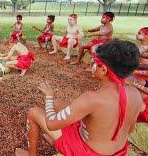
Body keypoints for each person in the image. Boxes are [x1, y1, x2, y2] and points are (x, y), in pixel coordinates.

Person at [16, 39, 145, 156]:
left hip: (87, 152)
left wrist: (49, 96)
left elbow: (51, 124)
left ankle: (31, 154)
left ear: (104, 70)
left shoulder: (91, 99)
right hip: (118, 151)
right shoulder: (135, 94)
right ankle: (59, 139)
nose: (92, 65)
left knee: (33, 112)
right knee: (59, 104)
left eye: (94, 62)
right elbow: (130, 129)